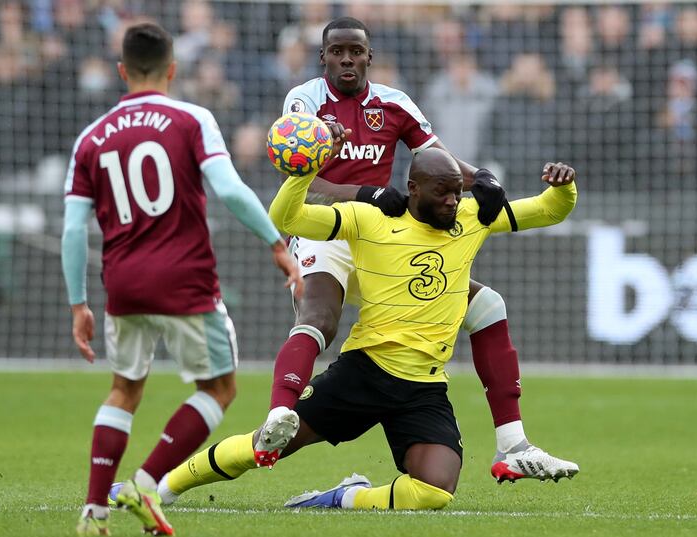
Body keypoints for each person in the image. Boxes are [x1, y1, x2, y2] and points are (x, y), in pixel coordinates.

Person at [157, 150, 579, 515]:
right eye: (443, 192)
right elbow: (285, 217)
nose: (453, 201)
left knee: (435, 491)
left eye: (457, 191)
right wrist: (303, 173)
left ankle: (344, 498)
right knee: (265, 448)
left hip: (423, 388)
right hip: (364, 373)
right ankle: (164, 486)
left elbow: (549, 210)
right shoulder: (368, 219)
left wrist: (563, 186)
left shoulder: (470, 218)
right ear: (413, 188)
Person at [255, 16, 577, 484]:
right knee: (319, 317)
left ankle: (513, 445)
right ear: (323, 56)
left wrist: (483, 178)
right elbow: (305, 182)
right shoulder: (304, 102)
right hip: (325, 230)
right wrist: (365, 193)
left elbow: (438, 159)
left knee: (487, 305)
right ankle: (279, 413)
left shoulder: (393, 103)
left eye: (356, 51)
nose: (347, 58)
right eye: (337, 51)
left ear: (370, 55)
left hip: (378, 239)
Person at [61, 22, 302, 537]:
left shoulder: (92, 136)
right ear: (172, 69)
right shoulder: (192, 119)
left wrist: (78, 303)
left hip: (122, 284)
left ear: (123, 71)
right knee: (219, 387)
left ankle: (93, 512)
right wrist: (277, 245)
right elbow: (231, 191)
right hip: (185, 280)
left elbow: (72, 228)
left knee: (124, 389)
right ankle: (146, 483)